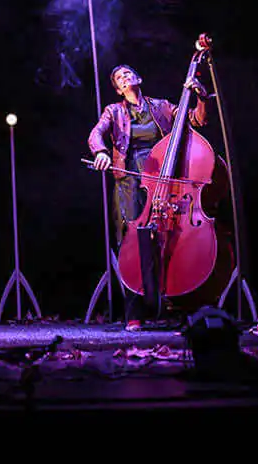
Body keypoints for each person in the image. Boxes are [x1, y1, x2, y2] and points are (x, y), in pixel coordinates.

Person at [88, 64, 209, 328]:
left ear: (139, 78)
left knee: (174, 238)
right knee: (131, 243)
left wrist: (201, 97)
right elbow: (97, 133)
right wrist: (100, 151)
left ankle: (179, 303)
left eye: (128, 73)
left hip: (164, 181)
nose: (126, 77)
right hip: (130, 182)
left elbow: (195, 120)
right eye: (120, 77)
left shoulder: (161, 106)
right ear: (118, 88)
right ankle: (135, 312)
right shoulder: (114, 111)